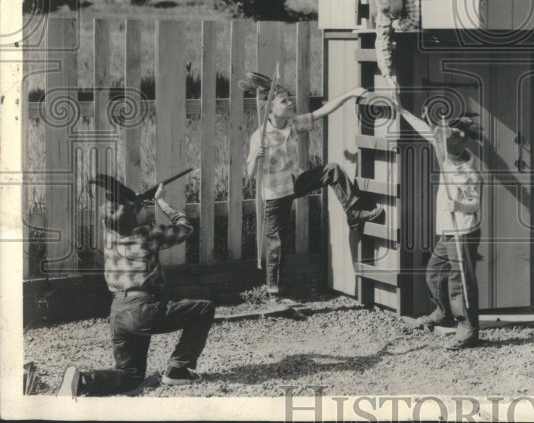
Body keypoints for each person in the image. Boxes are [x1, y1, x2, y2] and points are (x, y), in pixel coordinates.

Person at [57, 183, 215, 397]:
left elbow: (116, 215)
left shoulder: (110, 236)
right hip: (143, 310)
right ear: (134, 213)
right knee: (204, 309)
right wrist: (161, 202)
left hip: (118, 312)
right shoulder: (149, 234)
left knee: (129, 376)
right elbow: (185, 228)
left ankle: (83, 381)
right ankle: (178, 370)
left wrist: (132, 201)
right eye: (142, 208)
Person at [244, 77, 383, 303]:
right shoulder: (259, 137)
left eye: (288, 99)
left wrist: (350, 94)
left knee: (332, 170)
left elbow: (322, 112)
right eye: (283, 102)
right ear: (270, 110)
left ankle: (354, 212)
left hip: (294, 181)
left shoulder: (292, 125)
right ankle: (274, 293)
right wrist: (256, 156)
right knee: (276, 241)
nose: (290, 104)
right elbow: (250, 173)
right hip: (275, 193)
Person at [398, 105, 483, 350]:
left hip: (463, 232)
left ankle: (468, 328)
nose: (439, 146)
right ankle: (443, 312)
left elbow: (476, 203)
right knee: (434, 272)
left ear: (456, 148)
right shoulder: (447, 153)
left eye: (444, 143)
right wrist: (402, 111)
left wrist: (458, 204)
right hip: (447, 232)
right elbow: (427, 131)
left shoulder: (469, 173)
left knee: (461, 282)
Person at [371, 0, 421, 98]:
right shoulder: (384, 7)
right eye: (389, 16)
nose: (393, 16)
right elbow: (381, 42)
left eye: (395, 13)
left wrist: (395, 24)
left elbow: (414, 20)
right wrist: (388, 77)